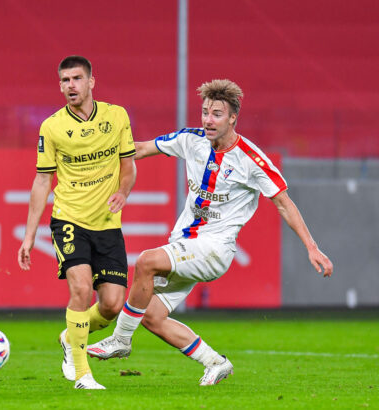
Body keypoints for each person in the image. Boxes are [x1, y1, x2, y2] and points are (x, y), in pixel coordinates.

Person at [87, 79, 334, 385]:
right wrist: (95, 155)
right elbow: (140, 148)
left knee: (147, 261)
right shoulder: (192, 139)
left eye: (217, 114)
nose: (208, 119)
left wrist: (311, 246)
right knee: (151, 316)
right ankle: (214, 362)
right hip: (186, 244)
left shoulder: (251, 159)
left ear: (233, 118)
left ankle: (121, 340)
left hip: (215, 248)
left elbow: (283, 202)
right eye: (205, 112)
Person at [17, 55, 137, 390]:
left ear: (91, 82)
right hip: (69, 219)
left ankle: (72, 337)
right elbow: (43, 181)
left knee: (112, 305)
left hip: (108, 223)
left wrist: (123, 192)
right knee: (82, 289)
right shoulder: (52, 126)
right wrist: (29, 237)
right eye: (64, 80)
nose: (70, 86)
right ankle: (83, 374)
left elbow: (128, 166)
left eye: (76, 79)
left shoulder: (117, 117)